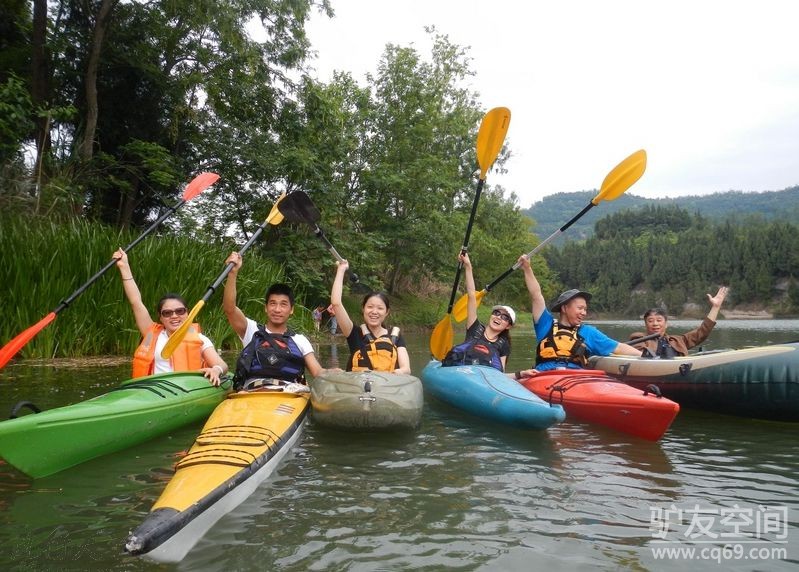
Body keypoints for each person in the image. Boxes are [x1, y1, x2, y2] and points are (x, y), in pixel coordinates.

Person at [113, 248, 228, 385]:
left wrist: (216, 370)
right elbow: (136, 302)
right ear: (160, 318)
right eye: (167, 313)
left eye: (179, 311)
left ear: (187, 313)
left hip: (185, 390)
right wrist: (124, 267)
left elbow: (222, 364)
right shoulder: (151, 334)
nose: (174, 316)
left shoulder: (200, 339)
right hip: (154, 390)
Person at [223, 251, 328, 391]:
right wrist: (232, 274)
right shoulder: (252, 331)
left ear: (291, 310)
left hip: (289, 396)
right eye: (272, 303)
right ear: (266, 308)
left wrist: (334, 373)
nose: (277, 309)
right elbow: (230, 309)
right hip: (251, 395)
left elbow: (318, 372)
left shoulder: (300, 340)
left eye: (283, 304)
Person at [518, 254, 642, 373]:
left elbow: (619, 348)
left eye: (585, 309)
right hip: (544, 375)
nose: (584, 313)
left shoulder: (589, 332)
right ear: (565, 308)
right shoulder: (545, 324)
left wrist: (644, 355)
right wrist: (527, 269)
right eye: (580, 308)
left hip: (575, 378)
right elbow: (536, 296)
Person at [442, 253, 525, 378]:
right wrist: (468, 266)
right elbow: (471, 296)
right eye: (496, 313)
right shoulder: (474, 328)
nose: (498, 317)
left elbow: (500, 376)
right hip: (461, 374)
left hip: (483, 381)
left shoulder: (503, 345)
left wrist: (521, 374)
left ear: (508, 326)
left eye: (504, 317)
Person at [329, 259, 412, 374]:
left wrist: (398, 373)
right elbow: (336, 303)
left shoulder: (395, 336)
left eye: (380, 308)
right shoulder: (354, 333)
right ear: (363, 309)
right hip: (359, 388)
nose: (374, 311)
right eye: (370, 307)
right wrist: (341, 270)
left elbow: (406, 369)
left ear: (387, 312)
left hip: (388, 387)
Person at [630, 286, 729, 357]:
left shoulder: (678, 341)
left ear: (666, 324)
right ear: (646, 324)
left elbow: (702, 332)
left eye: (659, 320)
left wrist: (716, 307)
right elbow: (640, 354)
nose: (655, 323)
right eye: (650, 321)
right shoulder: (638, 338)